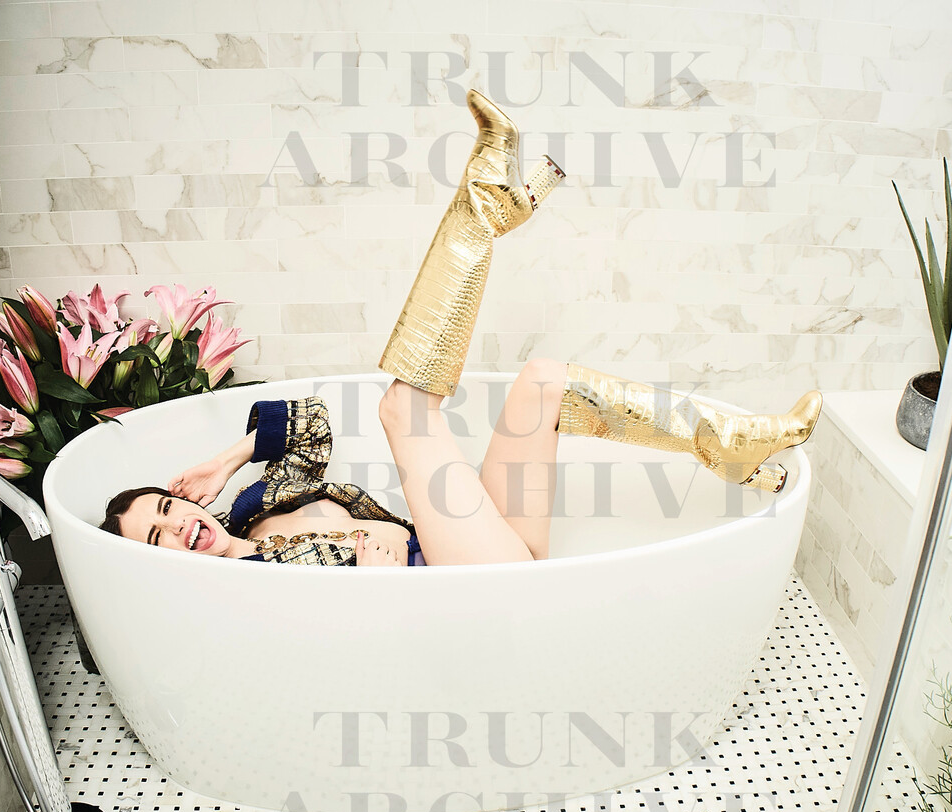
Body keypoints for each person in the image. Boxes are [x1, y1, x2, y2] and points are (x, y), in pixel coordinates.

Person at [103, 90, 823, 567]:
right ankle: (483, 208)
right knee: (403, 408)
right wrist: (370, 576)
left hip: (475, 552)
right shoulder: (240, 585)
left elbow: (310, 424)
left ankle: (722, 445)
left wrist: (225, 464)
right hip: (460, 594)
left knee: (543, 383)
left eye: (166, 508)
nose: (179, 526)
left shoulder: (256, 504)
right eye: (158, 537)